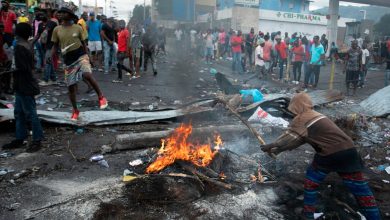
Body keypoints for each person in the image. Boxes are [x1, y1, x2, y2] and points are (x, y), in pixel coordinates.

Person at [261, 92, 381, 220]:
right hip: (349, 152)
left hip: (329, 154)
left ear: (296, 106)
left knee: (311, 181)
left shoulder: (302, 118)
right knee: (360, 189)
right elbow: (300, 139)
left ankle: (308, 215)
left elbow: (291, 137)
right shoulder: (317, 115)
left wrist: (272, 145)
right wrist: (279, 150)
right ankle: (374, 217)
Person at [51, 7, 108, 121]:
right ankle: (75, 110)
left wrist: (89, 58)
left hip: (81, 56)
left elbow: (84, 43)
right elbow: (55, 46)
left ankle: (101, 97)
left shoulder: (78, 27)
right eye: (60, 13)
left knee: (87, 75)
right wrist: (51, 56)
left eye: (63, 13)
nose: (60, 14)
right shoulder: (57, 29)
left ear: (70, 15)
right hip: (68, 61)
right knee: (71, 88)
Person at [2, 23, 43, 152]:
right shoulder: (27, 45)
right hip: (23, 84)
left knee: (30, 113)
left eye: (15, 30)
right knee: (19, 112)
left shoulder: (20, 47)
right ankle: (20, 137)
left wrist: (7, 72)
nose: (13, 30)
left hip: (24, 84)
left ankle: (37, 139)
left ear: (18, 33)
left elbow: (22, 68)